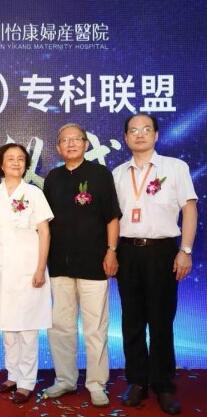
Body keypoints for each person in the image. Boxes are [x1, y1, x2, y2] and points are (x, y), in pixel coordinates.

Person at [112, 113, 197, 415]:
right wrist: (111, 251)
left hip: (162, 251)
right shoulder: (117, 173)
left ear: (156, 135)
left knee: (161, 320)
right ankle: (137, 381)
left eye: (146, 129)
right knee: (131, 320)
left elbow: (189, 209)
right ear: (126, 138)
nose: (140, 134)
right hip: (127, 252)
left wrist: (185, 250)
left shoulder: (175, 167)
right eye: (133, 130)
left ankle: (163, 384)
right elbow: (112, 219)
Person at [42, 123, 121, 407]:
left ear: (86, 144)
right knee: (60, 326)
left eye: (76, 139)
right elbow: (45, 224)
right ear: (58, 147)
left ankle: (97, 383)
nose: (71, 144)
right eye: (65, 140)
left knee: (95, 327)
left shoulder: (100, 174)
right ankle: (65, 379)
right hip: (59, 263)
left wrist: (112, 251)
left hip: (94, 262)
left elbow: (112, 217)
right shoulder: (52, 178)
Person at [0, 143, 53, 404]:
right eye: (10, 158)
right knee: (8, 328)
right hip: (1, 270)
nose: (16, 162)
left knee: (27, 329)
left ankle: (26, 382)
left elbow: (44, 232)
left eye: (21, 159)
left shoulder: (34, 193)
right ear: (0, 165)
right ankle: (12, 375)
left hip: (29, 269)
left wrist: (40, 268)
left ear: (26, 165)